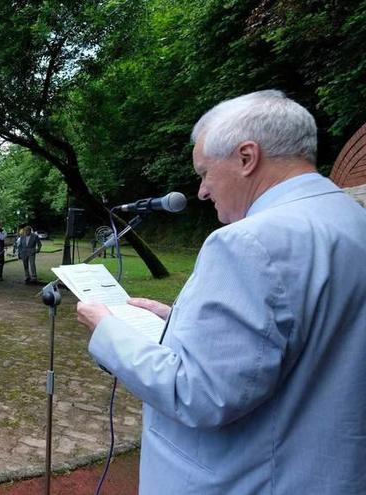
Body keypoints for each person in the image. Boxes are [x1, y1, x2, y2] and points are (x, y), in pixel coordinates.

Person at [76, 90, 366, 494]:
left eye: (205, 173)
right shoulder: (352, 219)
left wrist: (107, 329)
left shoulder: (248, 242)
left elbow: (199, 393)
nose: (202, 191)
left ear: (247, 158)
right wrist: (177, 321)